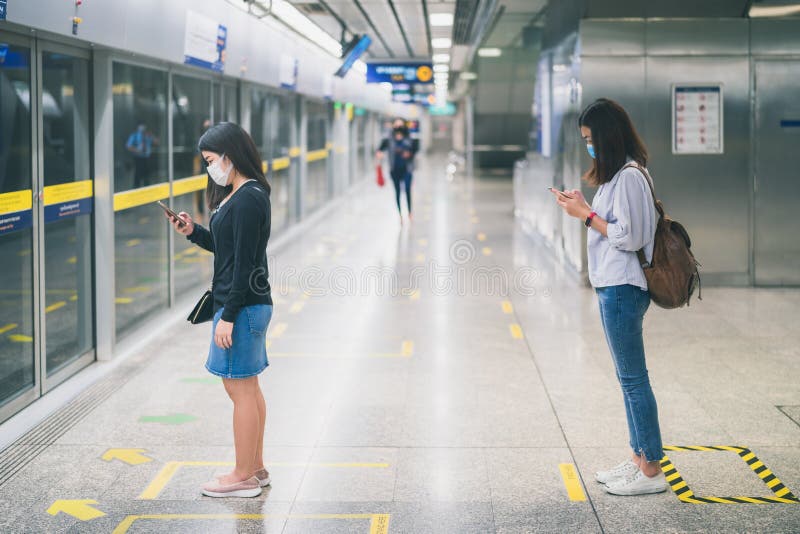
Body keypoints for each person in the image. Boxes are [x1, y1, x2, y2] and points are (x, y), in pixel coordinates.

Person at [550, 98, 667, 496]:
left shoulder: (631, 176)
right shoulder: (617, 176)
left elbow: (629, 236)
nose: (589, 147)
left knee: (634, 380)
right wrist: (583, 206)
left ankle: (651, 468)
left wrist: (584, 214)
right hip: (612, 285)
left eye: (590, 139)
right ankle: (638, 458)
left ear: (607, 136)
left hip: (623, 287)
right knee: (627, 378)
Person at [167, 122, 273, 498]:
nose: (210, 167)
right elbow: (229, 249)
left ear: (230, 156)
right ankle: (255, 468)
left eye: (211, 160)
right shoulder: (244, 193)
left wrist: (227, 314)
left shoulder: (247, 198)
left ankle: (242, 475)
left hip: (241, 306)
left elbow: (243, 263)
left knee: (239, 389)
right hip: (248, 304)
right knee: (249, 388)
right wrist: (193, 231)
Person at [376, 118, 417, 223]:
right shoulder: (388, 139)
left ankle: (409, 213)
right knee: (397, 192)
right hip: (394, 170)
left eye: (401, 125)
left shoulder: (409, 138)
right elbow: (380, 149)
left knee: (407, 190)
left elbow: (415, 150)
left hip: (407, 169)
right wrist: (379, 154)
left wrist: (409, 154)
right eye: (396, 125)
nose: (399, 127)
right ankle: (400, 215)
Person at [126, 124, 157, 189]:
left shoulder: (148, 135)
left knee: (147, 176)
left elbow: (156, 142)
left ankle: (147, 189)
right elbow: (128, 146)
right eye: (141, 126)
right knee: (138, 175)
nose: (143, 128)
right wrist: (137, 150)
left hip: (147, 158)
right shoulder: (134, 135)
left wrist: (152, 136)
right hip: (138, 158)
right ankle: (136, 188)